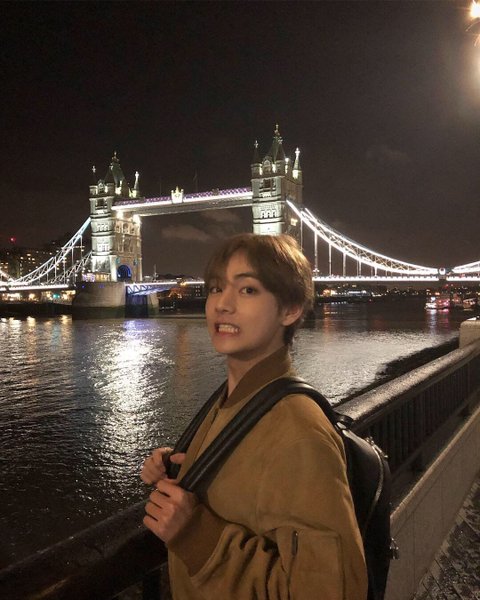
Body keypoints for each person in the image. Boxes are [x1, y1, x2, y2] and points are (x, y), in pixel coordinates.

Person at [141, 233, 367, 600]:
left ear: (290, 309)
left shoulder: (300, 433)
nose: (222, 304)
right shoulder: (237, 400)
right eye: (216, 288)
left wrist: (194, 533)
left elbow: (330, 593)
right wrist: (183, 466)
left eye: (247, 290)